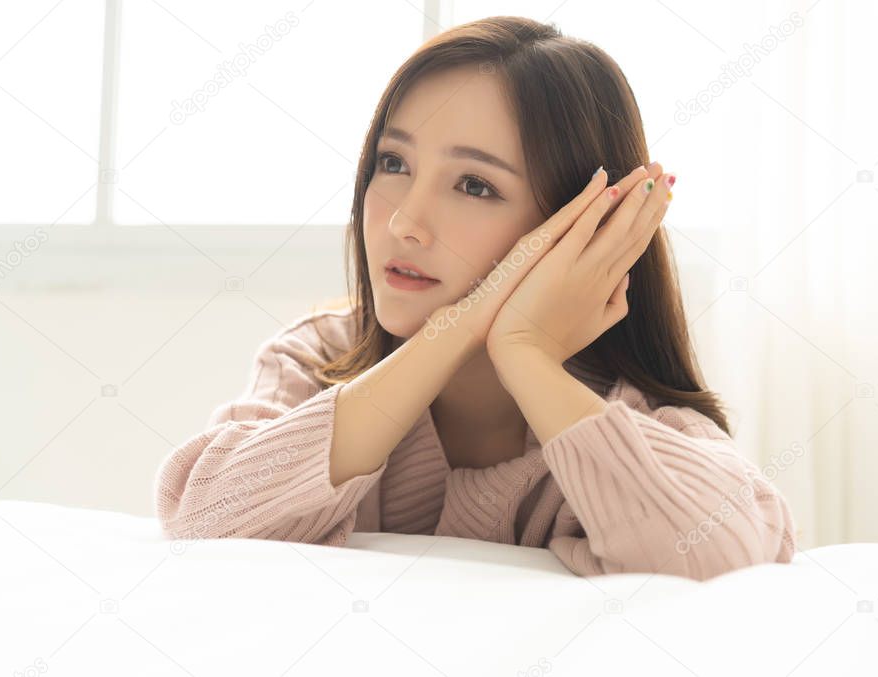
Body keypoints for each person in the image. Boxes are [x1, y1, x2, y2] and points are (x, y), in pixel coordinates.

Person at [154, 15, 797, 580]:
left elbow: (730, 561)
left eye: (474, 185)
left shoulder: (627, 420)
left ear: (580, 228)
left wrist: (525, 354)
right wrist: (455, 331)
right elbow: (201, 515)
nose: (404, 221)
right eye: (394, 163)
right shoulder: (318, 355)